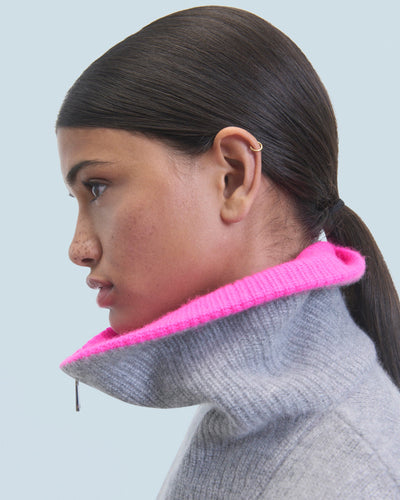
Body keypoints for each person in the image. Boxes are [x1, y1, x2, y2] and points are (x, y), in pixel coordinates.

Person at [57, 6, 400, 499]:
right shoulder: (250, 416)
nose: (79, 249)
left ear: (233, 176)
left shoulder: (356, 472)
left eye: (97, 187)